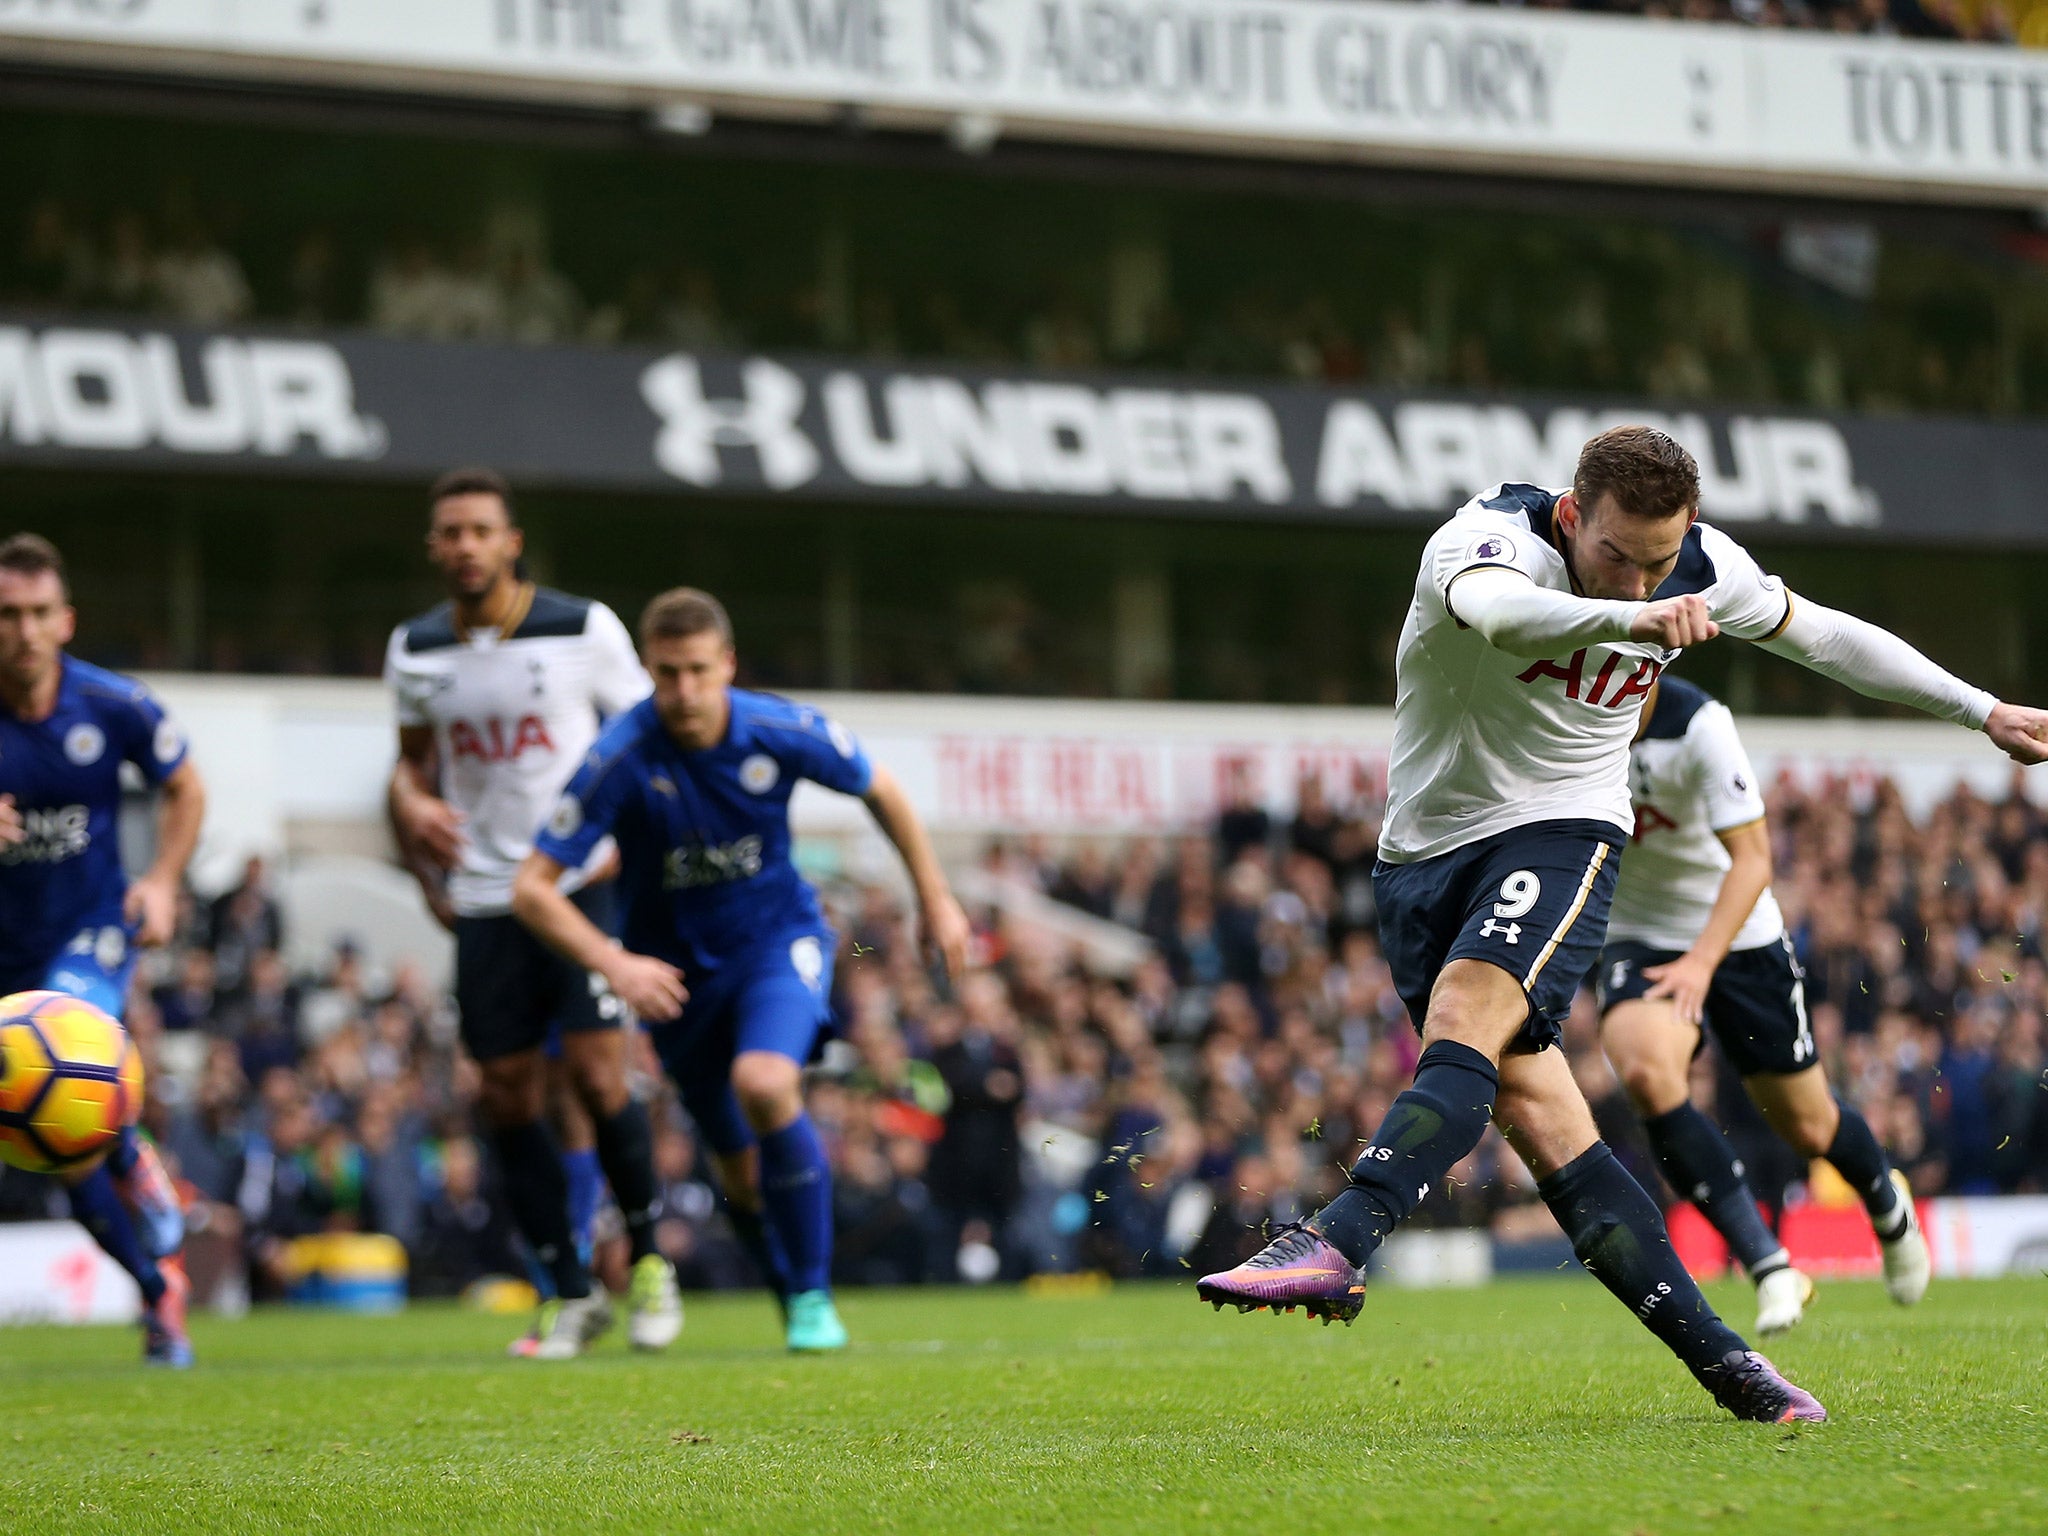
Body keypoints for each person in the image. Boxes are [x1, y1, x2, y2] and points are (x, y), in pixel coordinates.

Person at [1197, 425, 2048, 1424]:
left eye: (1657, 565)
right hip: (1420, 861)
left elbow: (1819, 634)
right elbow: (1504, 619)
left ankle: (1338, 1236)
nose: (1640, 586)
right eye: (1615, 558)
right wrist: (1634, 630)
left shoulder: (1695, 569)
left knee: (1468, 1014)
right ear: (1569, 516)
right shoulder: (1482, 542)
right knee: (1544, 1121)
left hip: (1562, 832)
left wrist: (1976, 708)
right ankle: (1734, 1371)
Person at [512, 587, 971, 1352]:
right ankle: (788, 1289)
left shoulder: (776, 728)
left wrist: (936, 897)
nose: (684, 692)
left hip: (777, 943)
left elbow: (881, 786)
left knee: (765, 1082)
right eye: (667, 674)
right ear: (648, 672)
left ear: (727, 663)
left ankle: (813, 1302)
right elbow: (530, 888)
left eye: (698, 670)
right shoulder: (620, 757)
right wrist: (612, 961)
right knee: (737, 1169)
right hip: (677, 984)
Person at [384, 467, 679, 1360]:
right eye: (451, 533)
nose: (466, 546)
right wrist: (413, 804)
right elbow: (408, 763)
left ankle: (654, 1263)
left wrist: (631, 840)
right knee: (507, 1095)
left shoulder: (582, 629)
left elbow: (648, 737)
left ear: (511, 542)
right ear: (434, 548)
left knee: (597, 1078)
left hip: (576, 882)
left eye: (481, 530)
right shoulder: (416, 649)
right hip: (481, 897)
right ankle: (570, 1288)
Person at [1595, 675, 1929, 1336]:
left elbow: (1754, 863)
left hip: (1740, 934)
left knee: (1806, 1125)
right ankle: (1771, 1267)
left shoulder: (1700, 725)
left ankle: (1888, 1205)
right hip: (1641, 934)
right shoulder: (1560, 715)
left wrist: (1702, 961)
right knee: (1644, 1072)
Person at [0, 533, 206, 1366]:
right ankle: (160, 1294)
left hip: (89, 932)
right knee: (61, 1152)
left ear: (67, 620)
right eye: (7, 615)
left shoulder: (114, 704)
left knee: (73, 1044)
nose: (24, 630)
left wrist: (160, 878)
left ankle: (128, 1149)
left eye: (39, 613)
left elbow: (185, 786)